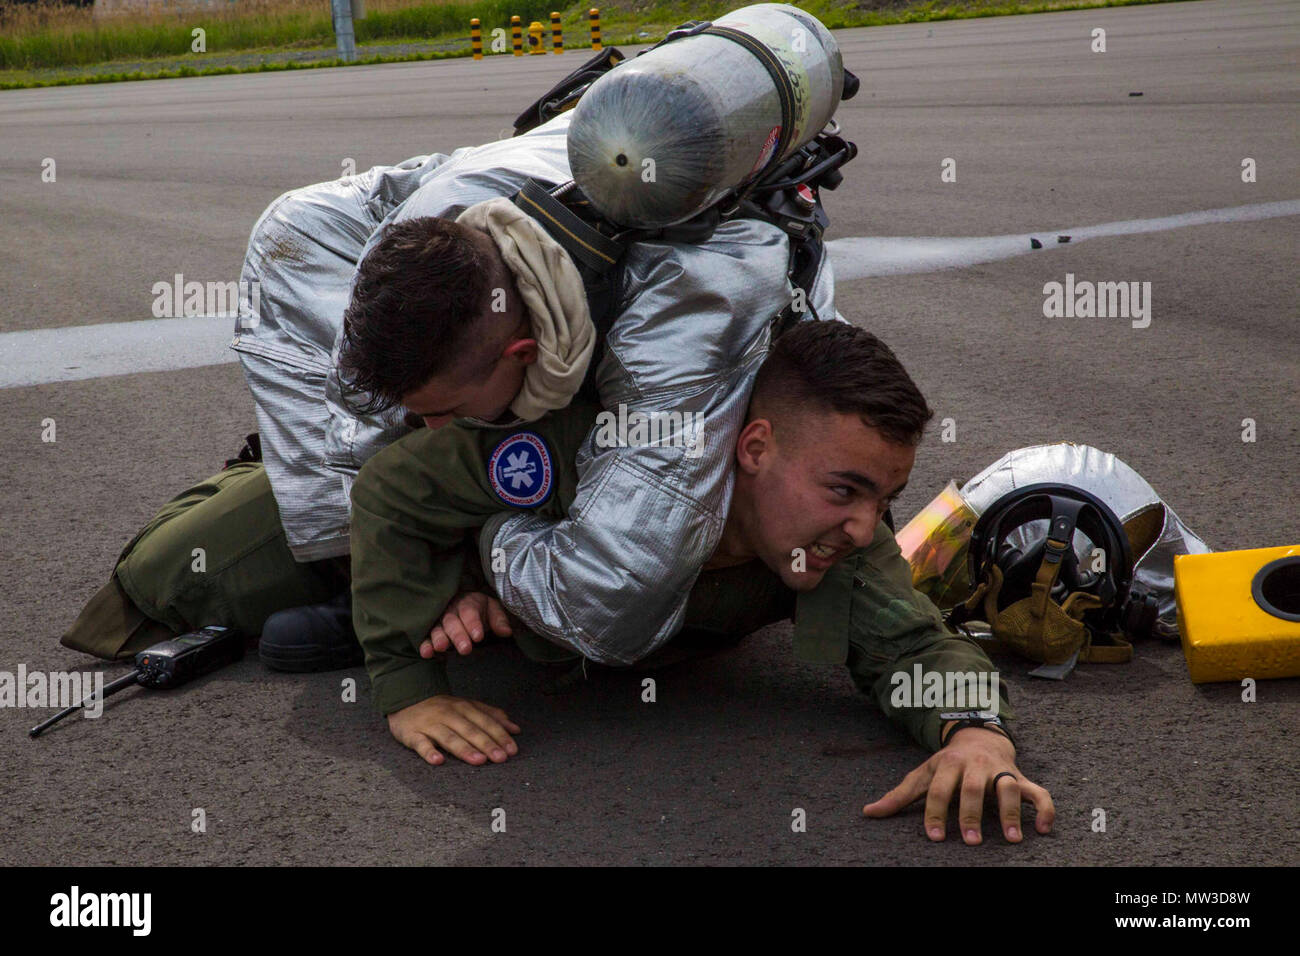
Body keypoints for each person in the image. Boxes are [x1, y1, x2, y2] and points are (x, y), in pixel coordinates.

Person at [60, 108, 839, 670]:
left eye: (442, 413)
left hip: (666, 425)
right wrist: (379, 563)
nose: (428, 429)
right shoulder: (438, 231)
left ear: (523, 353)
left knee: (681, 597)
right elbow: (292, 240)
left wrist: (482, 556)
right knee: (171, 573)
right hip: (529, 416)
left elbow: (610, 604)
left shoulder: (685, 322)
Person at [349, 318, 1054, 845]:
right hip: (389, 546)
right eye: (844, 490)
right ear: (755, 447)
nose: (866, 527)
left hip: (541, 620)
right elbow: (392, 489)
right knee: (284, 581)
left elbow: (914, 646)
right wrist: (410, 687)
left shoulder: (832, 542)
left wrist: (976, 734)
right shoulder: (608, 453)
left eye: (883, 497)